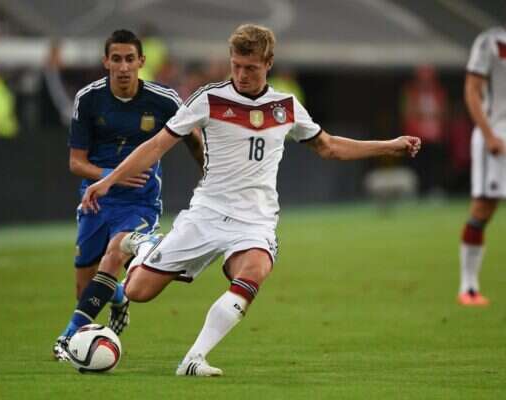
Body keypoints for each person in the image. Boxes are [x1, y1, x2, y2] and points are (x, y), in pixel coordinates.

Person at [81, 24, 421, 376]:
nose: (242, 75)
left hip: (254, 220)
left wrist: (389, 145)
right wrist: (108, 181)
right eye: (236, 66)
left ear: (268, 63)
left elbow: (330, 146)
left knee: (255, 270)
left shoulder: (286, 106)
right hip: (207, 213)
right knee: (139, 291)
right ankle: (143, 244)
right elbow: (155, 146)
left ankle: (193, 359)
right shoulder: (209, 99)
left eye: (251, 68)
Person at [52, 29, 203, 360]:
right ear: (106, 61)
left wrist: (210, 174)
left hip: (140, 203)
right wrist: (111, 177)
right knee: (85, 288)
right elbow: (76, 163)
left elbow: (193, 137)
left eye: (130, 59)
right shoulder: (88, 99)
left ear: (141, 61)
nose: (123, 67)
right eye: (116, 59)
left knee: (114, 255)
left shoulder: (164, 100)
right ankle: (118, 297)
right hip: (96, 199)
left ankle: (67, 338)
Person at [457, 24, 506, 306]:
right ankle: (469, 287)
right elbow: (472, 90)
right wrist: (489, 135)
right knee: (483, 208)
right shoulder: (490, 42)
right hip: (496, 136)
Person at [400, 65, 448, 195]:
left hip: (435, 135)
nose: (426, 82)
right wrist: (425, 113)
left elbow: (443, 112)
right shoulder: (411, 92)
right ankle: (418, 190)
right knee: (417, 164)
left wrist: (428, 114)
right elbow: (408, 112)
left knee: (434, 164)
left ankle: (434, 188)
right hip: (416, 135)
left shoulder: (438, 92)